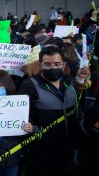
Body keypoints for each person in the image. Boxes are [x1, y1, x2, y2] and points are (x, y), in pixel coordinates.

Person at [18, 46, 90, 176]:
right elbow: (25, 116)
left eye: (57, 64)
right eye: (47, 64)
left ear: (63, 65)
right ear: (40, 65)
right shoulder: (29, 85)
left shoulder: (69, 81)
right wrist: (35, 131)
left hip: (69, 150)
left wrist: (80, 79)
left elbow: (78, 103)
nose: (53, 68)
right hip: (42, 155)